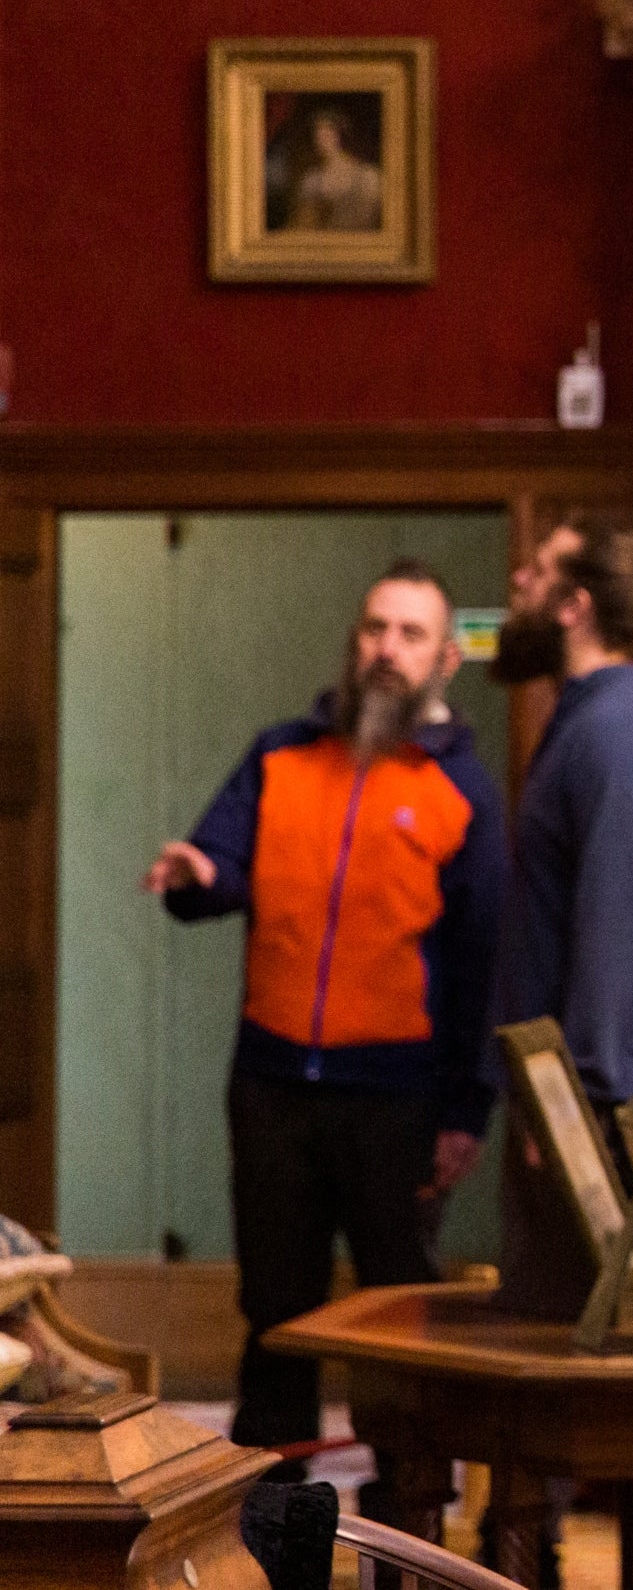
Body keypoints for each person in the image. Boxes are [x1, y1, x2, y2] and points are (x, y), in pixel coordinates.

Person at [145, 559, 503, 1487]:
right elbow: (218, 865)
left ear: (445, 659)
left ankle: (408, 1529)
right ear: (356, 641)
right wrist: (198, 874)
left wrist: (468, 1113)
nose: (388, 649)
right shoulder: (280, 755)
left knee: (395, 1324)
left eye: (410, 634)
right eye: (375, 628)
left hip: (398, 1101)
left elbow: (481, 968)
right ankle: (269, 1534)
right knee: (274, 1315)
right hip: (271, 1089)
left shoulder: (463, 792)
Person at [479, 519, 633, 1587]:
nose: (518, 591)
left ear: (575, 603)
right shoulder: (592, 720)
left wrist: (565, 1109)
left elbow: (616, 933)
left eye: (534, 576)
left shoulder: (620, 729)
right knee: (567, 1377)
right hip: (595, 1098)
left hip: (609, 1110)